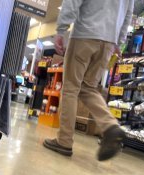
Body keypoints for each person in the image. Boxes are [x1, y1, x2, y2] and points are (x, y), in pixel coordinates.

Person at [43, 0, 134, 161]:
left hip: (84, 35)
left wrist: (61, 28)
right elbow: (127, 15)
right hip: (108, 43)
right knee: (89, 88)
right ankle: (110, 125)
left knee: (71, 88)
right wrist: (118, 42)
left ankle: (64, 141)